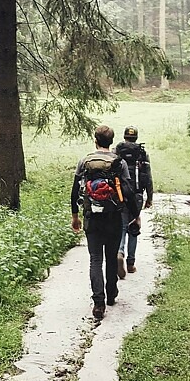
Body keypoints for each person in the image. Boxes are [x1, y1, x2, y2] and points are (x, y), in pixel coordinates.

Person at [71, 125, 136, 320]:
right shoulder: (119, 162)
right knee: (110, 257)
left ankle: (98, 303)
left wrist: (75, 217)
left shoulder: (85, 161)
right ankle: (111, 293)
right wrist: (135, 215)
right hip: (113, 217)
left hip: (92, 216)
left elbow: (75, 191)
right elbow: (127, 190)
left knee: (95, 259)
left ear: (95, 140)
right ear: (112, 140)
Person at [114, 126, 154, 277]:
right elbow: (148, 177)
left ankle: (119, 252)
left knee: (122, 226)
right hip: (137, 195)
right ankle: (130, 264)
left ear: (124, 137)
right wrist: (149, 197)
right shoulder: (142, 153)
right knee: (134, 228)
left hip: (120, 194)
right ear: (136, 138)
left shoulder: (116, 151)